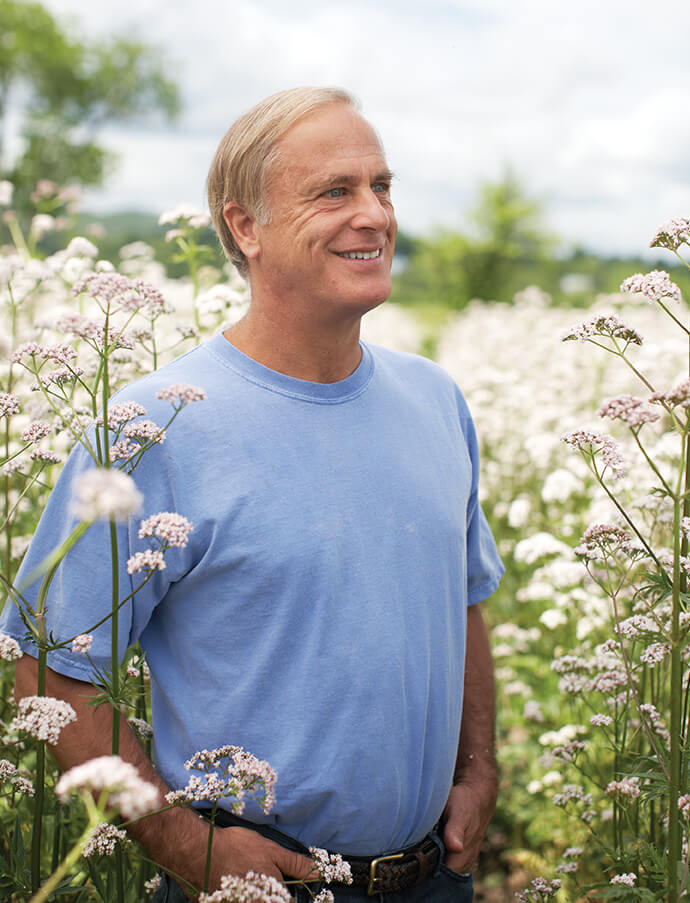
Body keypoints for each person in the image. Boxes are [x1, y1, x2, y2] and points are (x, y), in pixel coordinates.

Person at [5, 87, 504, 901]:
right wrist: (184, 843)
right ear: (245, 227)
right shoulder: (152, 426)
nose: (374, 215)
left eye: (382, 186)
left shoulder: (434, 399)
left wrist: (479, 772)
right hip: (258, 883)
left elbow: (463, 603)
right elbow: (51, 673)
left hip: (433, 876)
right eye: (334, 192)